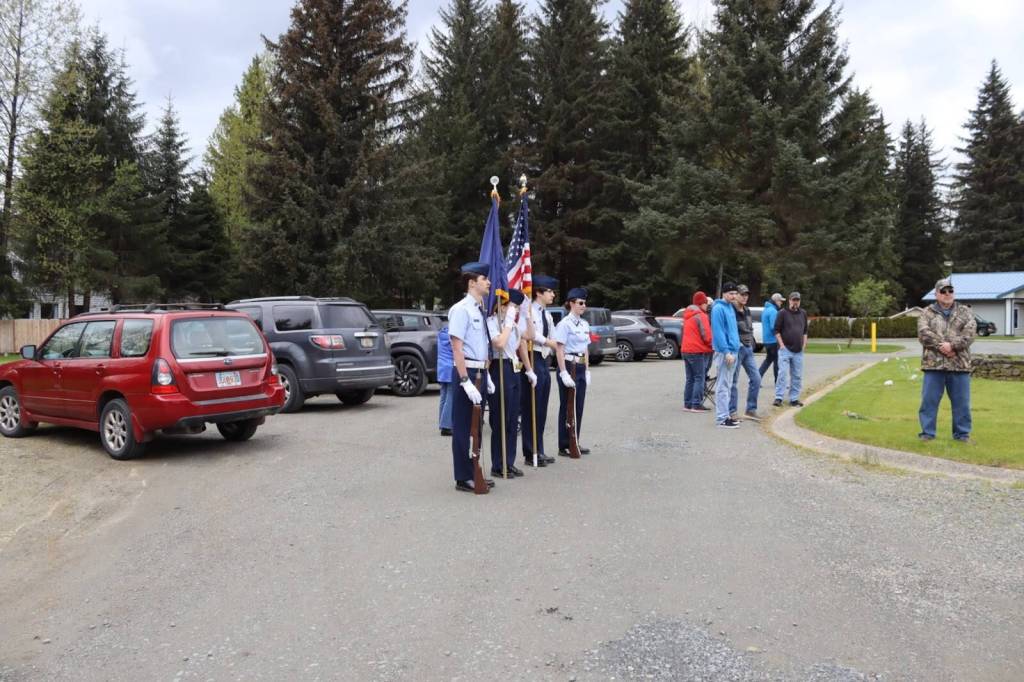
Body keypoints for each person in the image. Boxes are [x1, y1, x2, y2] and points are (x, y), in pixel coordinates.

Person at [447, 262, 496, 493]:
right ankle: (463, 476)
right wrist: (465, 380)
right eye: (484, 278)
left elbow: (483, 344)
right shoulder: (461, 309)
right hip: (466, 374)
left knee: (477, 426)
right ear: (471, 283)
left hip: (480, 372)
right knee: (463, 426)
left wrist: (487, 376)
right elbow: (457, 348)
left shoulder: (480, 309)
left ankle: (474, 467)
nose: (488, 282)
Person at [917, 277, 976, 442]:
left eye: (950, 291)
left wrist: (953, 347)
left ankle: (962, 435)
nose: (947, 294)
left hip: (959, 366)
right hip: (933, 365)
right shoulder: (926, 312)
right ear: (936, 294)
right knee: (929, 402)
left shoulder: (966, 312)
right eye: (943, 291)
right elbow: (923, 334)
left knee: (962, 404)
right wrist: (942, 347)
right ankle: (927, 434)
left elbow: (970, 334)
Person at [486, 289, 536, 479]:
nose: (513, 310)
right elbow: (499, 343)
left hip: (514, 369)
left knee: (513, 418)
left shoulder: (512, 324)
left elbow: (528, 337)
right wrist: (507, 323)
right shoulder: (492, 322)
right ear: (501, 305)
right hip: (500, 368)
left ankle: (510, 461)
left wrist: (526, 316)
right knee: (501, 419)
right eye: (511, 306)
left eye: (515, 307)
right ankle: (498, 464)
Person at [522, 275, 559, 466]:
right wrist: (548, 342)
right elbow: (530, 334)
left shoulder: (548, 314)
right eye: (550, 291)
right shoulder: (529, 310)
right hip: (533, 357)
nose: (553, 294)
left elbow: (552, 336)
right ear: (539, 293)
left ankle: (540, 449)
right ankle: (531, 452)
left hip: (545, 360)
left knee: (542, 408)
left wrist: (554, 344)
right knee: (532, 408)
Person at [554, 287, 592, 455]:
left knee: (579, 405)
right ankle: (564, 444)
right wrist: (563, 372)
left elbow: (585, 349)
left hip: (581, 366)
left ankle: (574, 439)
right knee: (567, 405)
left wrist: (588, 370)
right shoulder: (564, 324)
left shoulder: (584, 324)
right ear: (571, 304)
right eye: (580, 303)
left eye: (584, 303)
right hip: (569, 366)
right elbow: (559, 349)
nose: (584, 305)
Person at [710, 283, 741, 428]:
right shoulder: (718, 308)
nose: (733, 296)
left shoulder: (730, 308)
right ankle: (721, 418)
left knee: (728, 385)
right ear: (724, 293)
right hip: (725, 353)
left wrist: (736, 345)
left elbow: (732, 330)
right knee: (722, 385)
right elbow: (719, 332)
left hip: (733, 350)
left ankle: (726, 414)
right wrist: (726, 351)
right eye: (731, 293)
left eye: (735, 293)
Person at [730, 285, 762, 420]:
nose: (745, 297)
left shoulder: (747, 310)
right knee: (733, 381)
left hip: (748, 349)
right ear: (736, 295)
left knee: (756, 378)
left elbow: (750, 329)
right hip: (736, 349)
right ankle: (731, 411)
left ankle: (750, 409)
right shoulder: (730, 310)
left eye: (746, 295)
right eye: (742, 294)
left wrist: (750, 343)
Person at [773, 291, 808, 407]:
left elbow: (805, 331)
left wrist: (804, 345)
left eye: (797, 300)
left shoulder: (803, 313)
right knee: (782, 373)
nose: (795, 302)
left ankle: (794, 398)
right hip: (785, 349)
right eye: (793, 300)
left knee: (797, 375)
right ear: (789, 301)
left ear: (799, 301)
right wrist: (781, 345)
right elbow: (776, 330)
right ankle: (778, 397)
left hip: (798, 350)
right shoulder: (782, 313)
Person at [681, 291, 712, 412]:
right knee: (700, 377)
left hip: (685, 350)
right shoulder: (701, 315)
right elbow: (706, 335)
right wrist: (712, 345)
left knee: (690, 378)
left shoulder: (688, 315)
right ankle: (696, 404)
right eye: (705, 303)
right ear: (701, 303)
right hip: (696, 350)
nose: (707, 306)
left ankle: (687, 404)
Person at [758, 293, 784, 382]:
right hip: (773, 340)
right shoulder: (773, 311)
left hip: (767, 340)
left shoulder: (766, 309)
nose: (781, 303)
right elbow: (774, 327)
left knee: (768, 360)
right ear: (776, 301)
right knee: (777, 361)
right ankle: (778, 381)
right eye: (780, 301)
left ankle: (756, 378)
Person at [437, 323, 454, 436]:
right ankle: (447, 426)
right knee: (450, 397)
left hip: (442, 367)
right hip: (451, 367)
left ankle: (442, 423)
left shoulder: (442, 332)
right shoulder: (452, 333)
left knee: (444, 397)